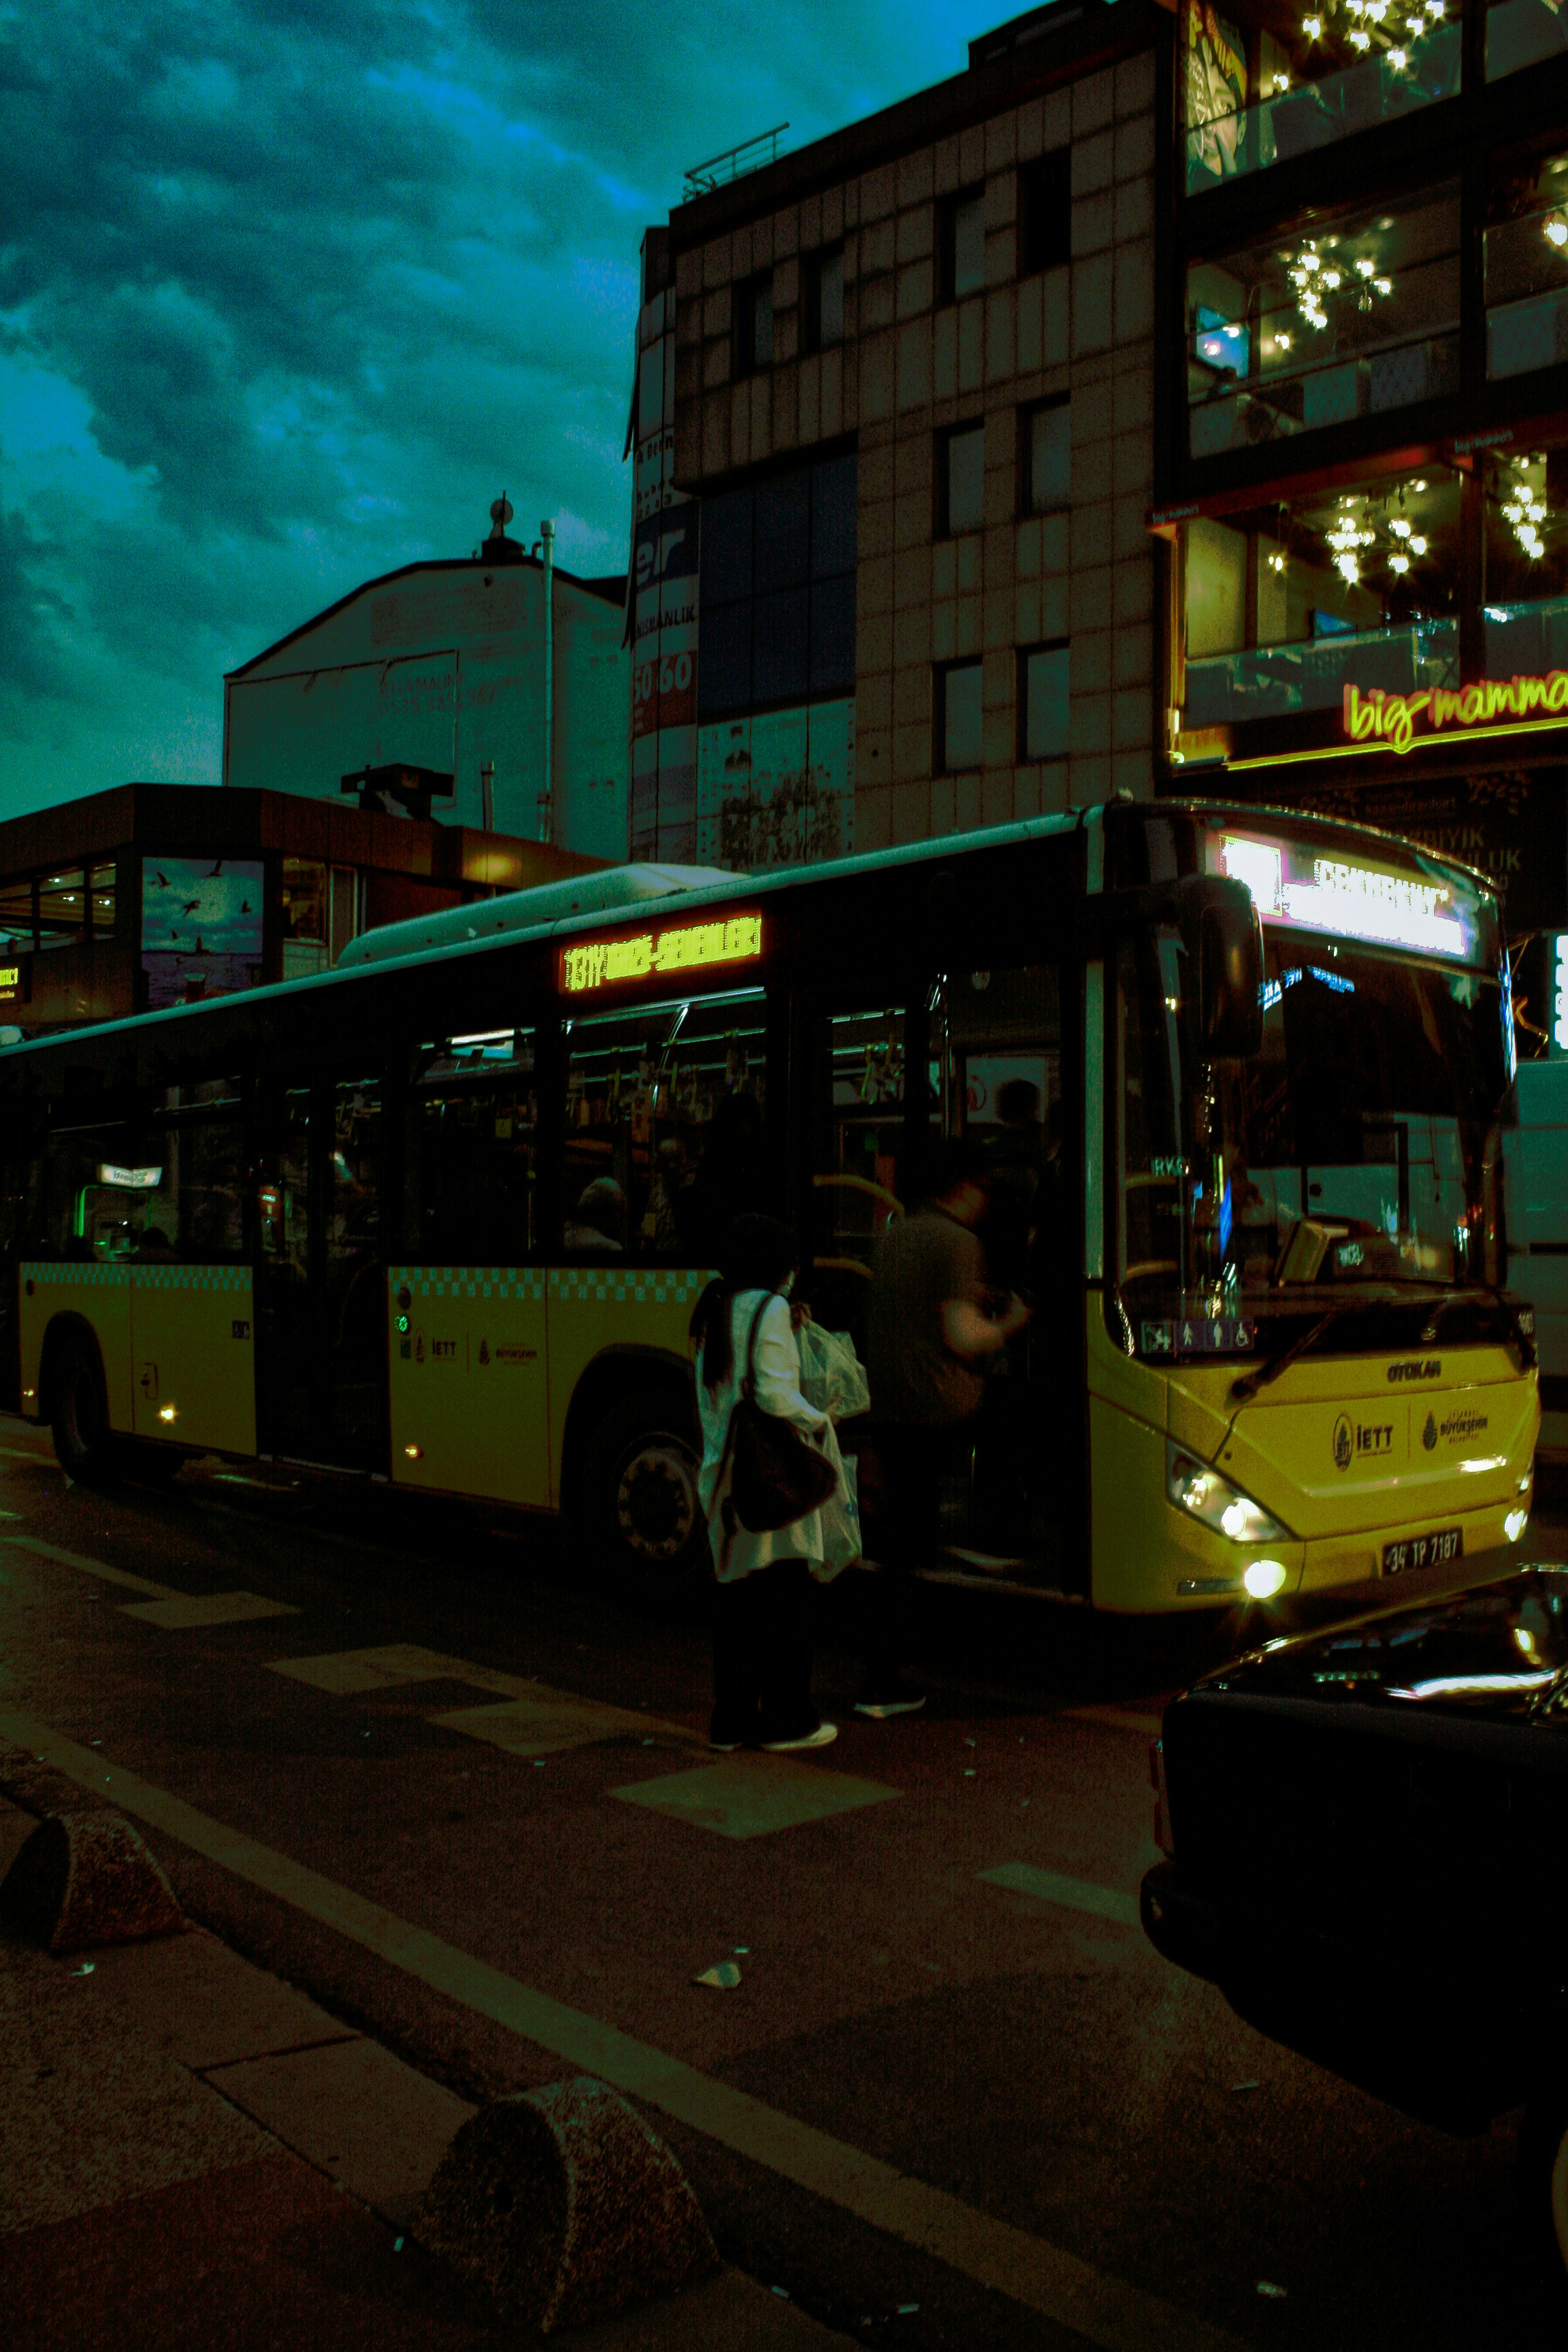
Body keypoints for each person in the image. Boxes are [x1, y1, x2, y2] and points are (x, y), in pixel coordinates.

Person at [858, 1137, 1030, 1716]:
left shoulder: (897, 1233)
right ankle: (884, 1677)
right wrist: (1010, 1322)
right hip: (935, 1407)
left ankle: (889, 1663)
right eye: (983, 1188)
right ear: (963, 1188)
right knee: (911, 1543)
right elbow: (963, 1337)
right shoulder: (958, 1242)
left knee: (900, 1538)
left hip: (891, 1405)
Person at [689, 1214, 840, 1753]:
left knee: (738, 1604)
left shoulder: (715, 1305)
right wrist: (821, 1420)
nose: (793, 1273)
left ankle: (731, 1722)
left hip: (726, 1482)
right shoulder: (769, 1308)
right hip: (769, 1478)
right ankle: (787, 1719)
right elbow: (775, 1396)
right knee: (786, 1601)